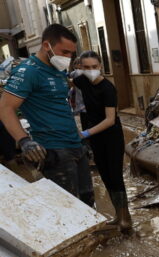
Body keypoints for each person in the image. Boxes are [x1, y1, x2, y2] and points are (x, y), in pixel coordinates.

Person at [0, 24, 95, 206]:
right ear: (46, 46)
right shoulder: (28, 71)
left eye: (71, 54)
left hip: (75, 144)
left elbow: (60, 106)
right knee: (68, 206)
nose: (68, 58)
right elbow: (5, 108)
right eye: (64, 52)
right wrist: (24, 140)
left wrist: (81, 140)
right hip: (54, 149)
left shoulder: (58, 70)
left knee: (87, 201)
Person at [72, 51, 131, 232]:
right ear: (80, 68)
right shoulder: (81, 81)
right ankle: (118, 216)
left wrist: (85, 133)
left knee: (115, 175)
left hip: (111, 136)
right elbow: (65, 79)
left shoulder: (107, 88)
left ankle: (126, 218)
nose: (91, 70)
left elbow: (110, 119)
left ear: (100, 67)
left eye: (94, 67)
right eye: (87, 67)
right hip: (96, 138)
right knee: (105, 175)